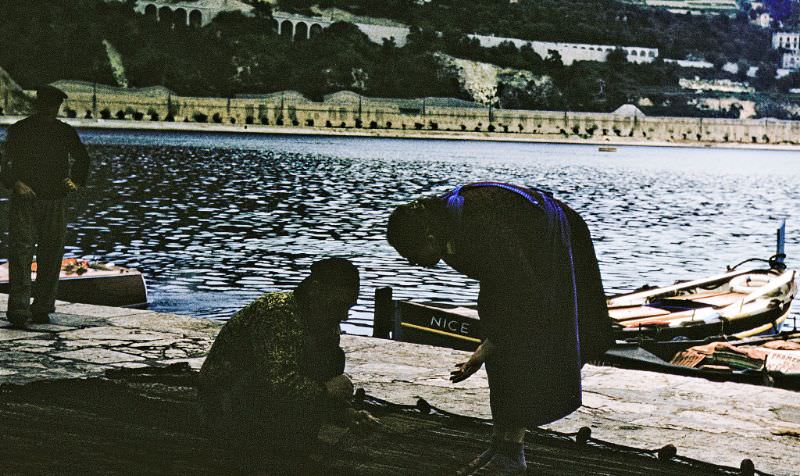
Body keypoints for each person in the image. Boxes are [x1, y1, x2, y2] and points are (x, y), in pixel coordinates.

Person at [387, 182, 613, 475]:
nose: (413, 263)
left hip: (557, 238)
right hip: (522, 260)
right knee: (502, 339)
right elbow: (495, 290)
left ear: (429, 237)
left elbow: (523, 294)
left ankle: (512, 453)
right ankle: (500, 444)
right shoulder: (447, 224)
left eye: (411, 254)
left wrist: (488, 346)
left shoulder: (480, 226)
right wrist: (491, 339)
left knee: (520, 349)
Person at [199, 258, 377, 465]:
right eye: (338, 305)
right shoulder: (278, 314)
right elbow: (277, 384)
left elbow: (316, 379)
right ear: (316, 290)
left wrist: (346, 413)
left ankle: (286, 445)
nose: (344, 315)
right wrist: (327, 391)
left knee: (333, 358)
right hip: (224, 405)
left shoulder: (325, 320)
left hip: (259, 404)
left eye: (348, 307)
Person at [0, 85, 90, 327]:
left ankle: (42, 307)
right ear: (38, 104)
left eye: (54, 105)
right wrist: (15, 183)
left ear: (57, 107)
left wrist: (75, 181)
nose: (50, 109)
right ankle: (19, 309)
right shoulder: (20, 130)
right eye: (47, 104)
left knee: (51, 254)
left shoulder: (65, 131)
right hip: (25, 200)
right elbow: (4, 163)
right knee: (21, 254)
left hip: (55, 200)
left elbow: (82, 158)